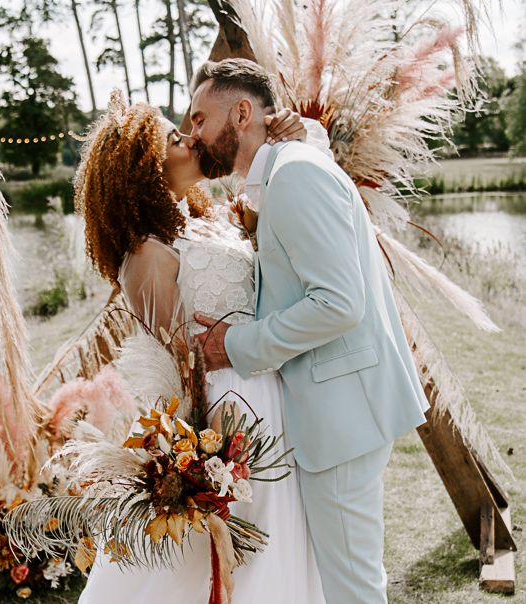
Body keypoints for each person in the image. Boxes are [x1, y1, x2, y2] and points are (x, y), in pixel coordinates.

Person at [189, 58, 430, 604]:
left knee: (353, 588)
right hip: (339, 409)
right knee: (346, 579)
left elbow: (339, 303)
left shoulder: (295, 174)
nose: (193, 133)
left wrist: (234, 345)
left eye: (201, 118)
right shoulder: (288, 169)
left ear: (243, 113)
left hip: (343, 412)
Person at [74, 91, 327, 603]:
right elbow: (172, 365)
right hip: (224, 414)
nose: (190, 137)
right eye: (173, 138)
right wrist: (198, 457)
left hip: (270, 391)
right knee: (225, 555)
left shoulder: (205, 218)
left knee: (282, 542)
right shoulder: (147, 252)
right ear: (144, 167)